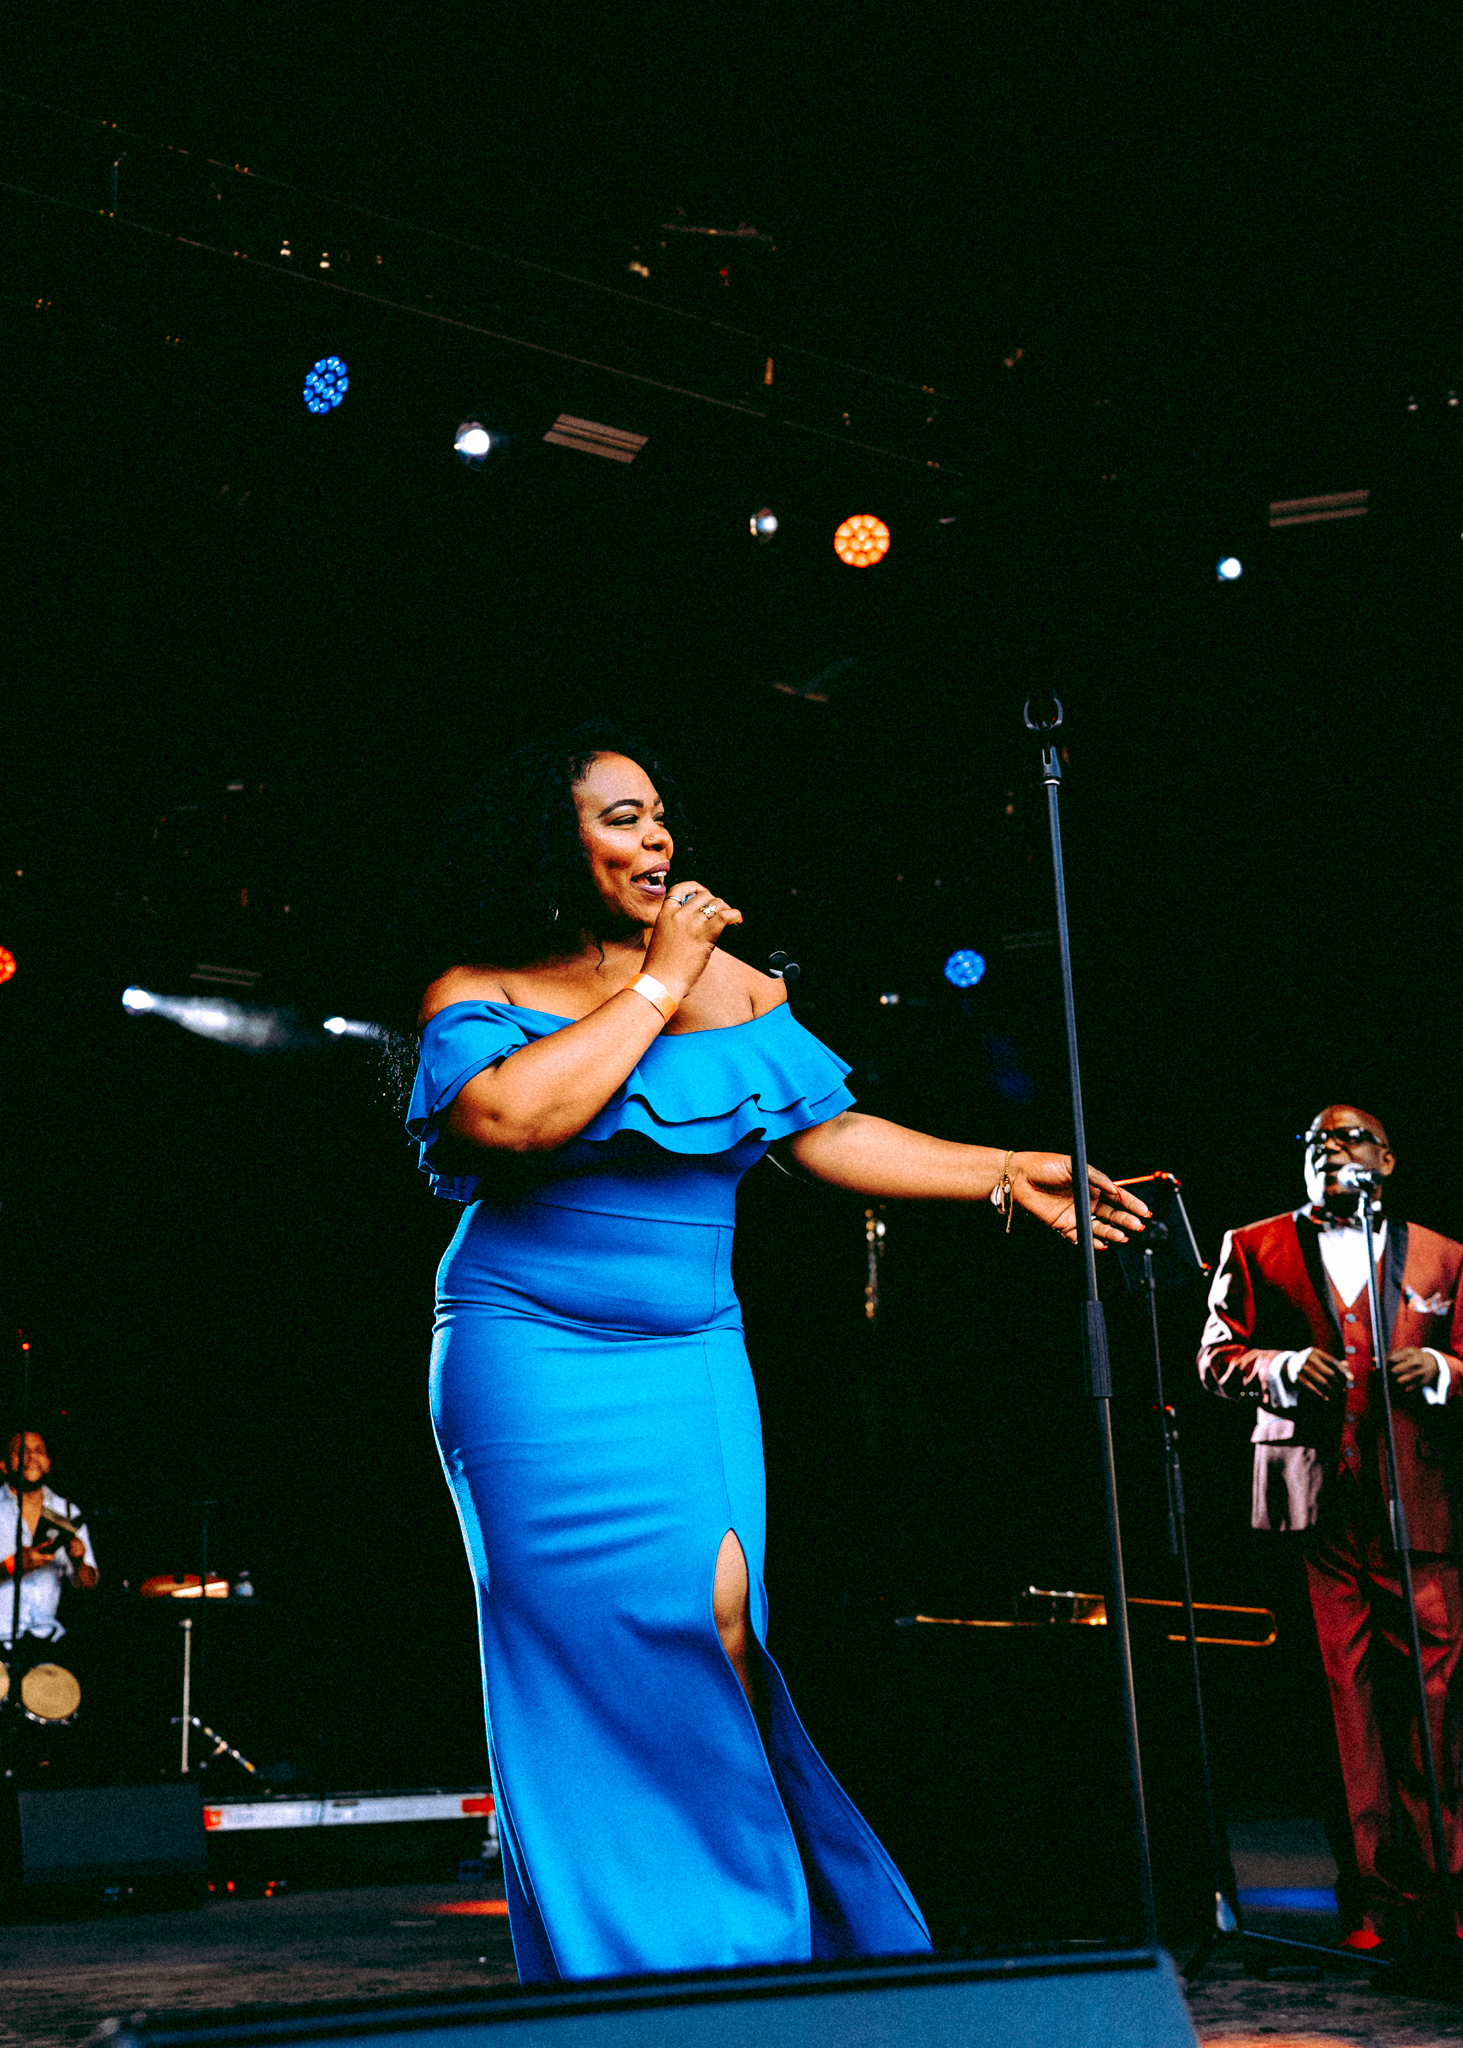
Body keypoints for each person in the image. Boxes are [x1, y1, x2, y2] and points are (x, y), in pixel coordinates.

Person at [404, 720, 1148, 1982]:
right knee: (571, 1653)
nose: (656, 837)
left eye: (658, 814)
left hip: (685, 1351)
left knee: (717, 1620)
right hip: (524, 1352)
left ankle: (756, 1938)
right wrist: (656, 981)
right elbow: (512, 1119)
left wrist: (999, 1168)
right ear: (551, 843)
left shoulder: (740, 986)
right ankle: (620, 1963)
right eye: (622, 818)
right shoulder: (482, 991)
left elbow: (822, 1132)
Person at [1198, 1107, 1463, 1951]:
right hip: (1310, 1506)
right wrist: (1277, 1366)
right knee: (1339, 1703)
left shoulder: (1442, 1256)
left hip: (1415, 1504)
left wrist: (1442, 1368)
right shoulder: (1253, 1245)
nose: (1329, 1149)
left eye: (1348, 1138)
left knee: (1434, 1704)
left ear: (1385, 1158)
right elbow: (1213, 1357)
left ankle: (1445, 1894)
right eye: (1315, 1141)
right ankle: (1371, 1903)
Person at [0, 1430, 99, 1650]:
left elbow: (88, 1586)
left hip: (47, 1641)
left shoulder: (67, 1511)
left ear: (48, 1463)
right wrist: (12, 1565)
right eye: (21, 1451)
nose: (31, 1456)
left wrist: (78, 1562)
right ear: (4, 1465)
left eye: (39, 1451)